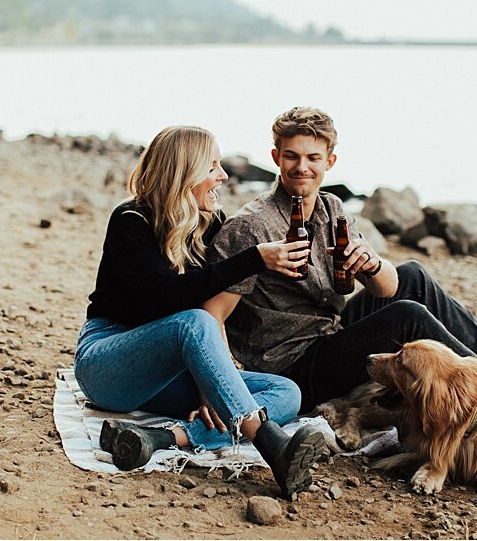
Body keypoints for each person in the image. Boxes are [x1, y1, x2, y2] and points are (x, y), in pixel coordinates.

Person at [204, 107, 477, 439]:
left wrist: (371, 263)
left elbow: (389, 286)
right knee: (407, 318)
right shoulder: (251, 227)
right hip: (290, 363)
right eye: (291, 157)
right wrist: (215, 390)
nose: (302, 167)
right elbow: (213, 315)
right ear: (275, 157)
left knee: (413, 273)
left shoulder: (332, 207)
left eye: (313, 158)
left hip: (330, 332)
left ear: (330, 162)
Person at [74, 125, 326, 498]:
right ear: (184, 173)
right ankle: (272, 446)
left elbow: (211, 308)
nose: (222, 176)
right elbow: (164, 298)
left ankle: (159, 438)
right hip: (108, 363)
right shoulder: (132, 221)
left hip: (167, 376)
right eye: (212, 166)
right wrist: (253, 259)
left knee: (286, 391)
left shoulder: (211, 224)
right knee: (194, 320)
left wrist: (213, 386)